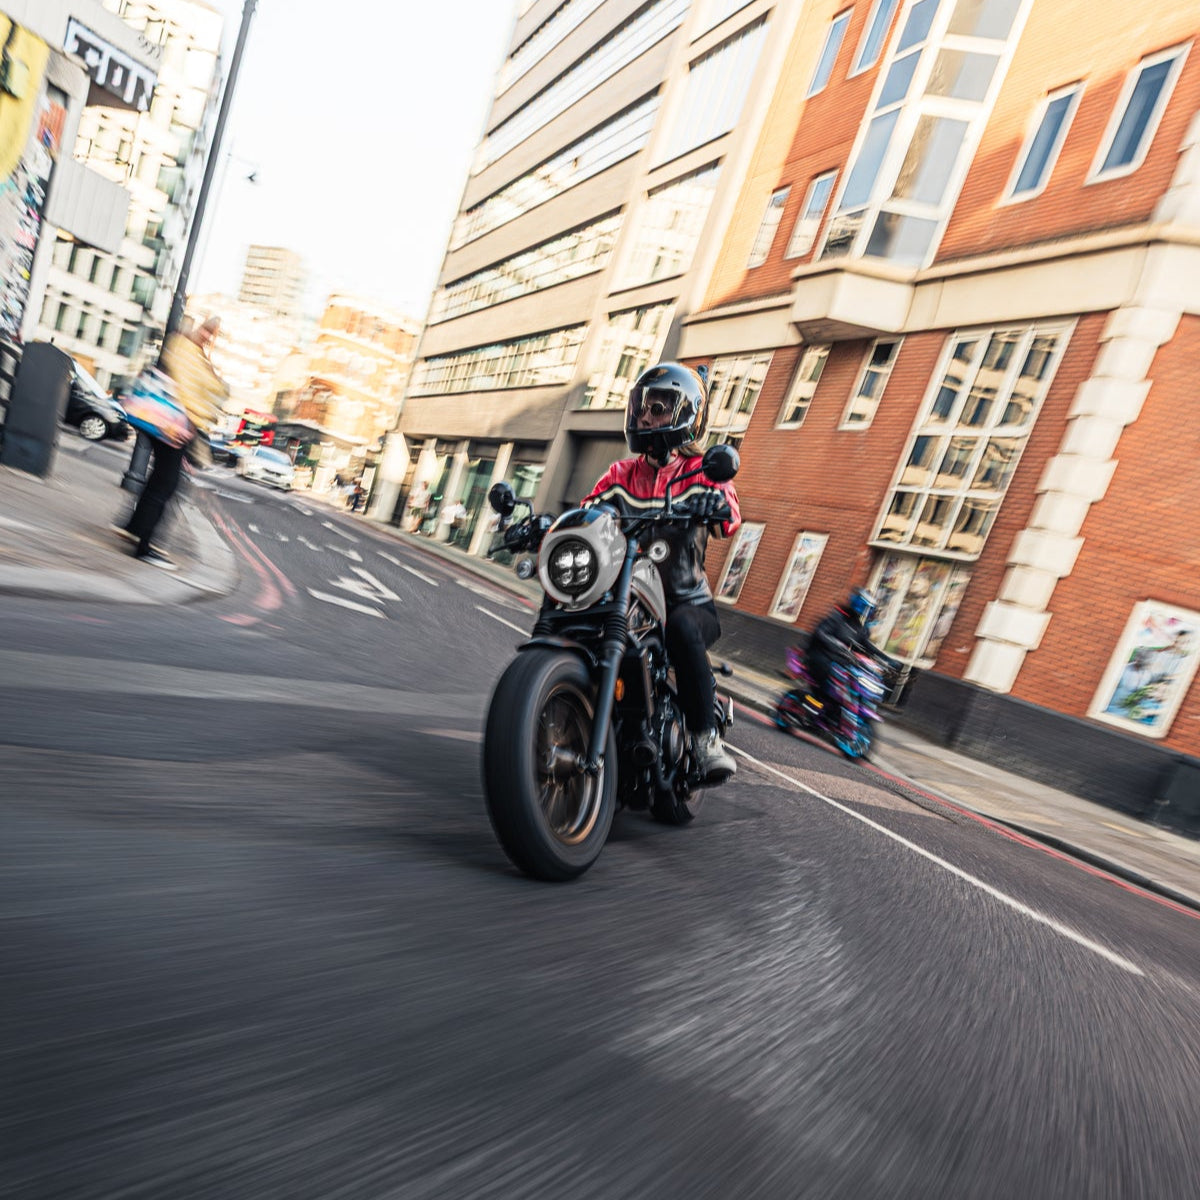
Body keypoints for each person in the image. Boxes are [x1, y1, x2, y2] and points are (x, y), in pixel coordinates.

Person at [582, 362, 741, 784]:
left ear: (684, 413)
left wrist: (713, 505)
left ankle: (705, 739)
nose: (646, 417)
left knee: (684, 630)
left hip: (686, 602)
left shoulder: (702, 470)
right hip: (630, 599)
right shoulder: (621, 474)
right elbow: (587, 512)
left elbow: (730, 517)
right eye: (642, 407)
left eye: (658, 408)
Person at [116, 316, 227, 569]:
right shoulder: (187, 350)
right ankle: (144, 547)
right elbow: (199, 392)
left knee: (160, 480)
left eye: (212, 335)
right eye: (207, 331)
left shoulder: (189, 350)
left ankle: (134, 529)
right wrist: (191, 419)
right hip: (175, 425)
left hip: (169, 422)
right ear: (200, 328)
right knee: (166, 484)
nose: (208, 337)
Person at [805, 588, 894, 744]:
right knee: (829, 685)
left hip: (840, 661)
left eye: (870, 610)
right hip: (820, 656)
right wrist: (838, 646)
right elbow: (821, 633)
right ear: (859, 605)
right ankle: (812, 710)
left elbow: (867, 646)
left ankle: (835, 715)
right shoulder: (838, 616)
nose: (868, 613)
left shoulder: (859, 626)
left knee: (852, 683)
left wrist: (887, 659)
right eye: (867, 608)